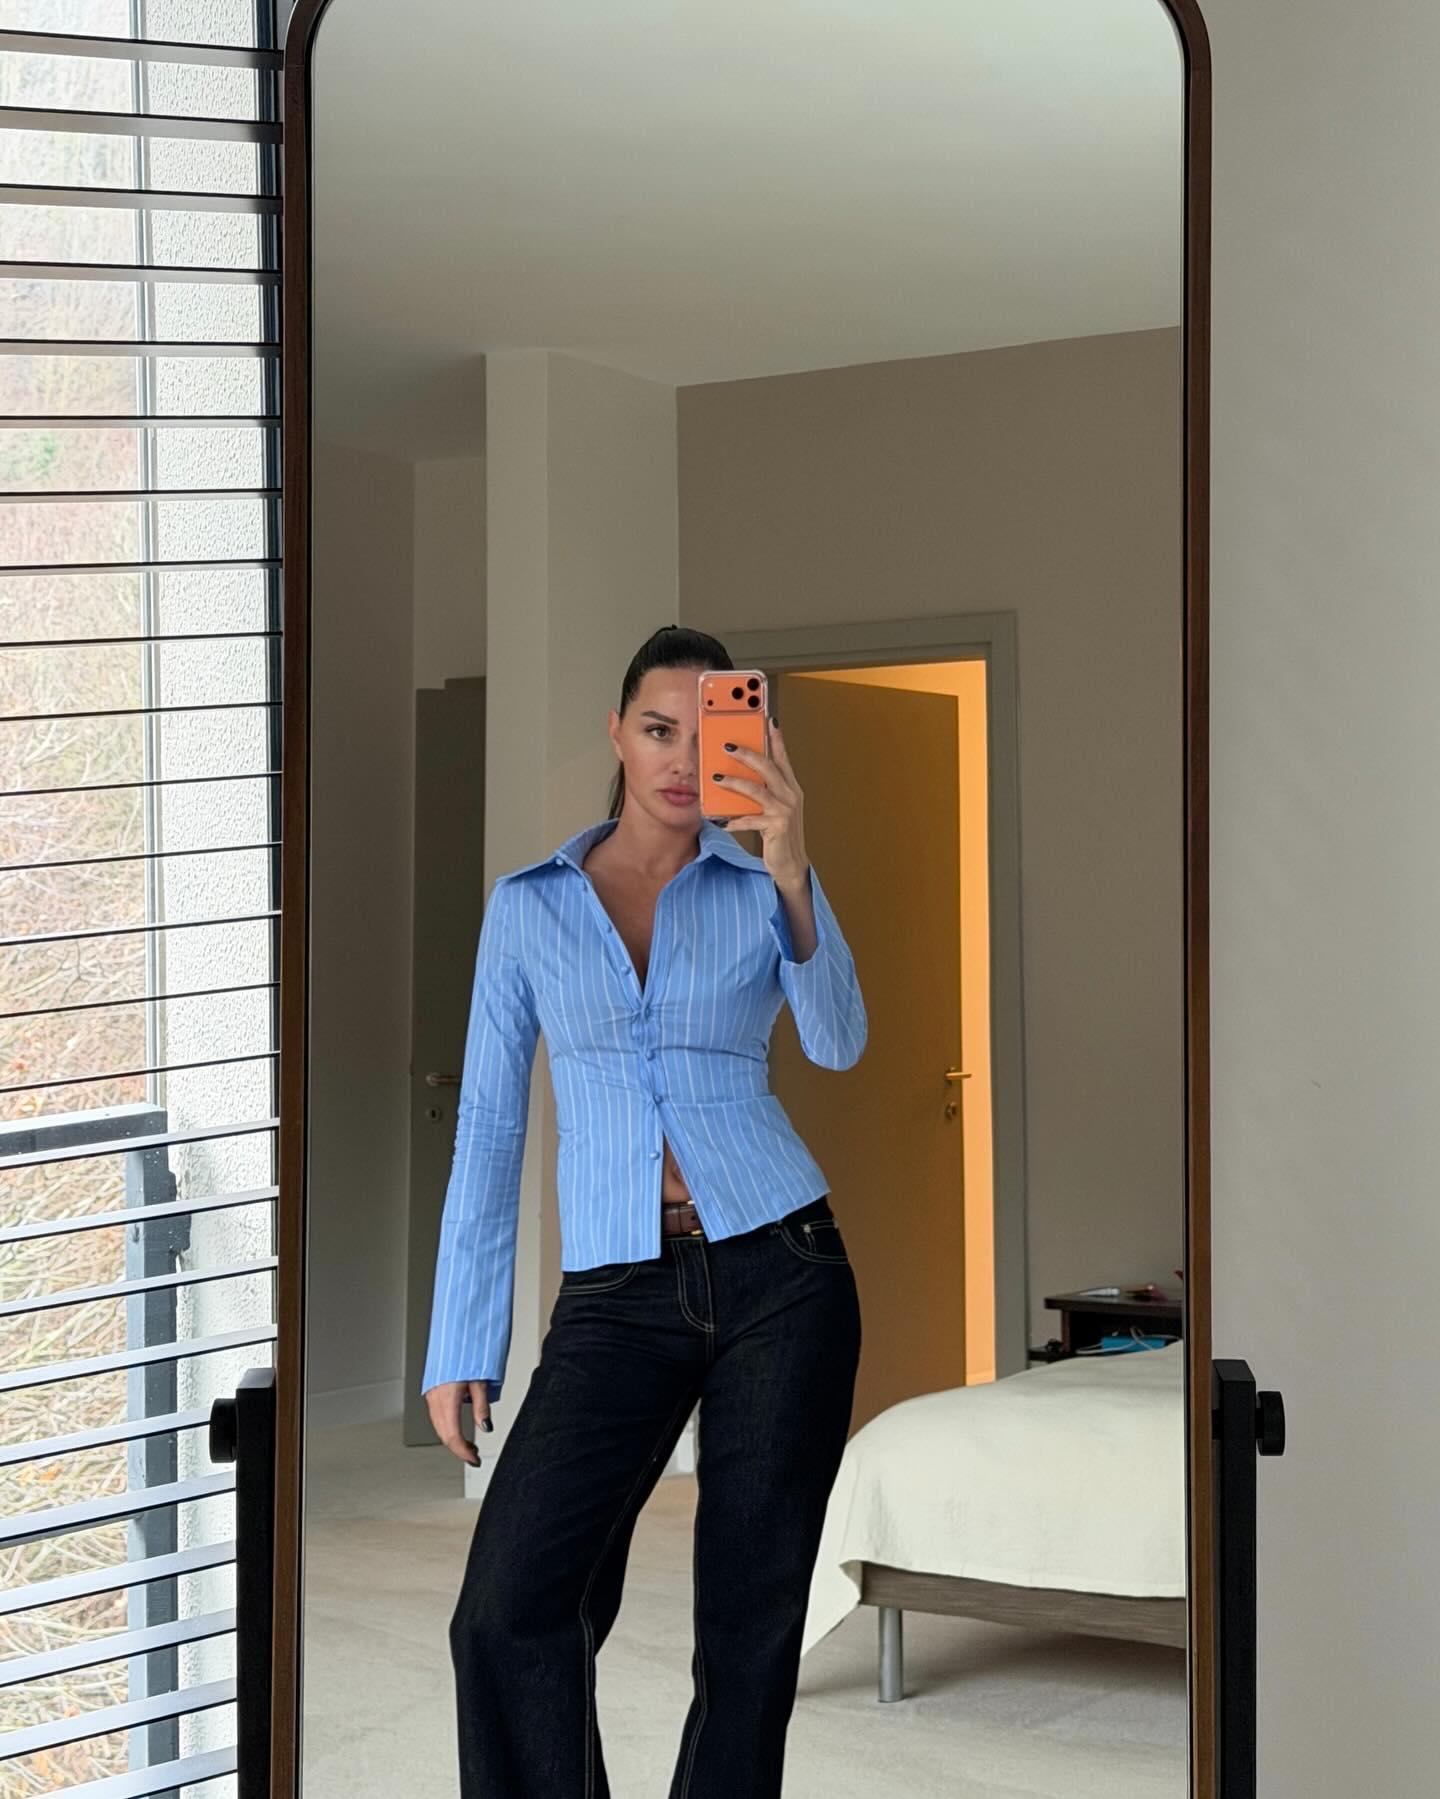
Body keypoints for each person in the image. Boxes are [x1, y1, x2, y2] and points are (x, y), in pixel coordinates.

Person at [421, 624, 867, 1799]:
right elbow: (490, 1126)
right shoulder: (527, 907)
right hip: (618, 1287)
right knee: (507, 1609)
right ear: (617, 733)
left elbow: (837, 1038)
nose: (680, 758)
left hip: (783, 1271)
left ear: (749, 743)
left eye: (709, 734)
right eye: (659, 728)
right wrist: (461, 1338)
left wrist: (793, 865)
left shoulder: (763, 887)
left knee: (750, 1628)